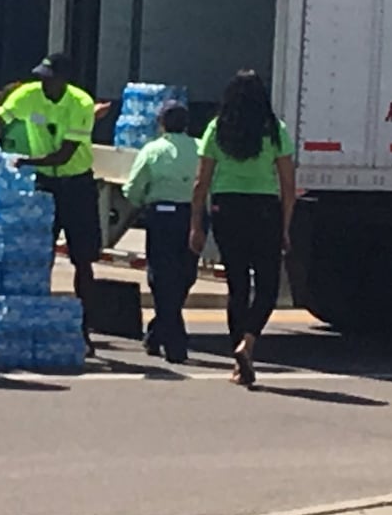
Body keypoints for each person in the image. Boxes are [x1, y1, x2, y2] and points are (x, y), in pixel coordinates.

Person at [189, 70, 296, 387]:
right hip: (264, 208)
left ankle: (238, 363)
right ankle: (248, 343)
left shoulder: (217, 128)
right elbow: (288, 185)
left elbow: (201, 182)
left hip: (227, 207)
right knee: (267, 284)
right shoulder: (275, 131)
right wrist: (286, 226)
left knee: (236, 284)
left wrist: (196, 224)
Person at [0, 52, 100, 355]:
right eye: (42, 76)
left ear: (63, 79)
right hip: (45, 185)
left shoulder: (81, 103)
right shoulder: (29, 95)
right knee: (40, 254)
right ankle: (40, 320)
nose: (43, 82)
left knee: (83, 259)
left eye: (49, 78)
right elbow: (0, 118)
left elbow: (64, 155)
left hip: (76, 183)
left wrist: (23, 161)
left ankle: (84, 327)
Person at [123, 101, 199, 364]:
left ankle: (170, 339)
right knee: (184, 275)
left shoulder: (152, 150)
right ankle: (160, 335)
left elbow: (133, 189)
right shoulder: (200, 149)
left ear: (161, 124)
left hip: (162, 216)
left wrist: (141, 201)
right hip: (192, 216)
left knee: (161, 277)